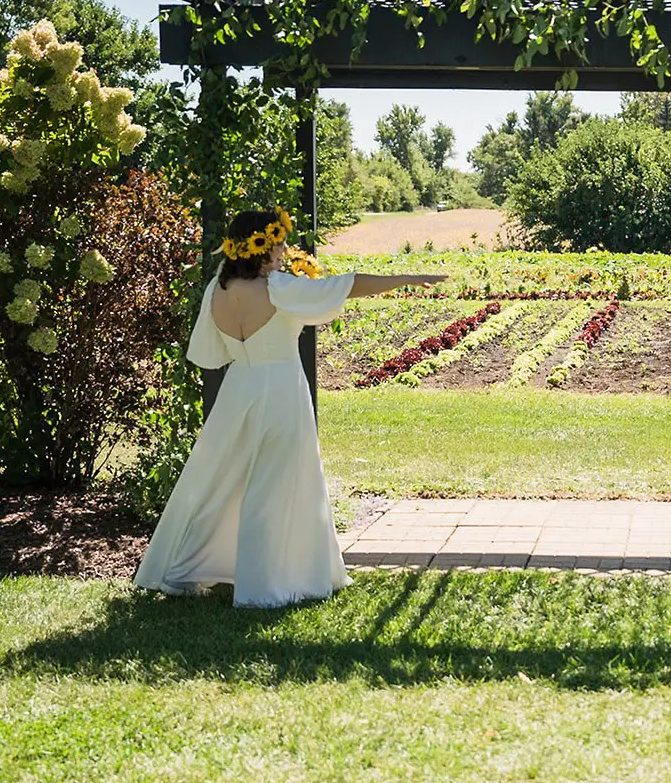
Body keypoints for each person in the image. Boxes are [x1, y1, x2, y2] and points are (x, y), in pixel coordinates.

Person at [134, 207, 446, 607]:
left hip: (237, 390)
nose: (283, 250)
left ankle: (190, 566)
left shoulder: (217, 288)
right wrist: (407, 278)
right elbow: (346, 286)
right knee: (272, 484)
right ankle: (262, 586)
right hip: (279, 390)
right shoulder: (277, 288)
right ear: (260, 248)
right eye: (278, 243)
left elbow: (208, 351)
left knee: (219, 481)